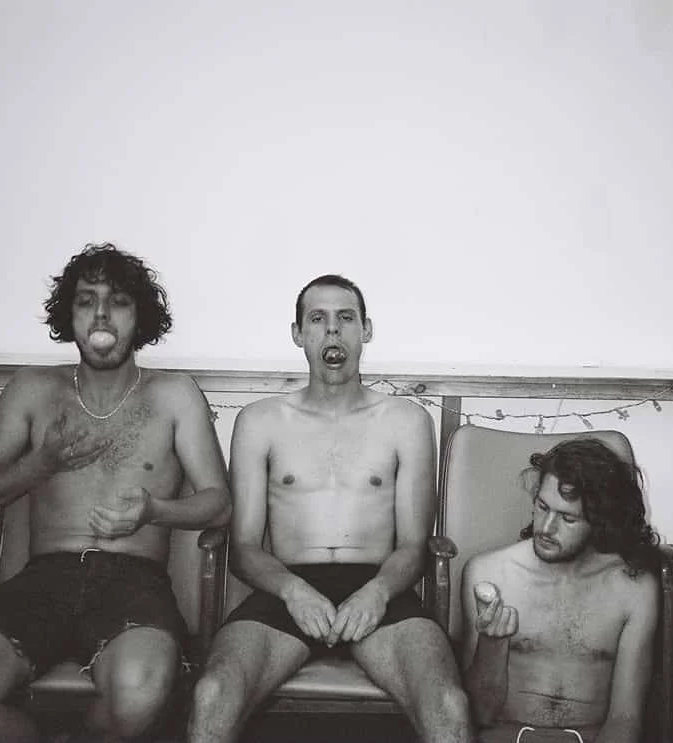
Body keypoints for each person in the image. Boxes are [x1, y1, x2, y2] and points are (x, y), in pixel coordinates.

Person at [0, 243, 231, 743]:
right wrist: (39, 465)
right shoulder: (31, 390)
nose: (101, 315)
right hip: (42, 580)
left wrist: (154, 510)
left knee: (140, 697)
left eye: (118, 301)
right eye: (87, 301)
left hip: (134, 581)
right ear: (69, 315)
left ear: (140, 317)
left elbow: (219, 503)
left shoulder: (175, 394)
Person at [188, 274, 473, 743]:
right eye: (318, 319)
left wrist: (377, 592)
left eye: (346, 318)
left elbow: (412, 546)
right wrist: (293, 591)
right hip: (287, 587)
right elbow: (243, 548)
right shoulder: (260, 421)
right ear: (298, 334)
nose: (333, 330)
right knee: (212, 694)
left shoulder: (406, 421)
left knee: (448, 704)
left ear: (366, 330)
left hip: (380, 587)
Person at [460, 438, 661, 743]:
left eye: (568, 518)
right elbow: (478, 715)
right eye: (542, 507)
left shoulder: (634, 588)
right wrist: (492, 644)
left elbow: (625, 720)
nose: (546, 527)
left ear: (600, 521)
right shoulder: (488, 573)